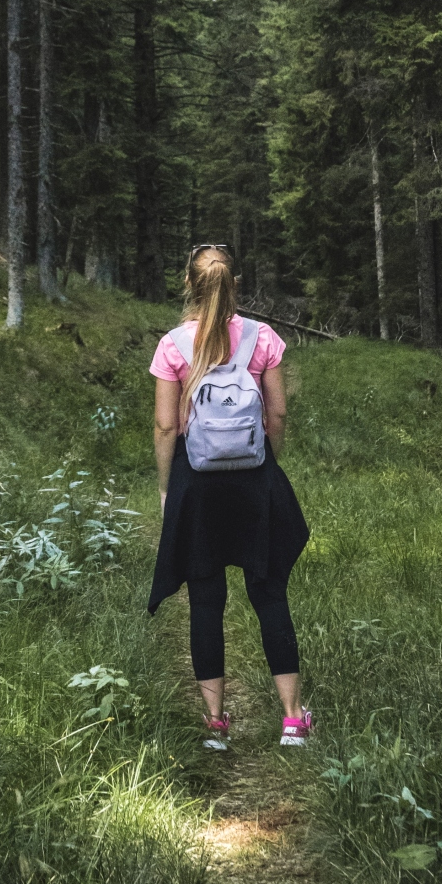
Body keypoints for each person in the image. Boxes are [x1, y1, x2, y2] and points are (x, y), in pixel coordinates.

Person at [147, 244, 311, 749]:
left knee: (205, 601)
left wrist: (165, 487)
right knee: (269, 593)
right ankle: (290, 720)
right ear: (233, 282)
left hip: (199, 484)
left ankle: (216, 726)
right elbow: (277, 415)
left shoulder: (173, 345)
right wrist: (268, 458)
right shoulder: (263, 338)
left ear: (189, 286)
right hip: (253, 479)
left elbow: (165, 425)